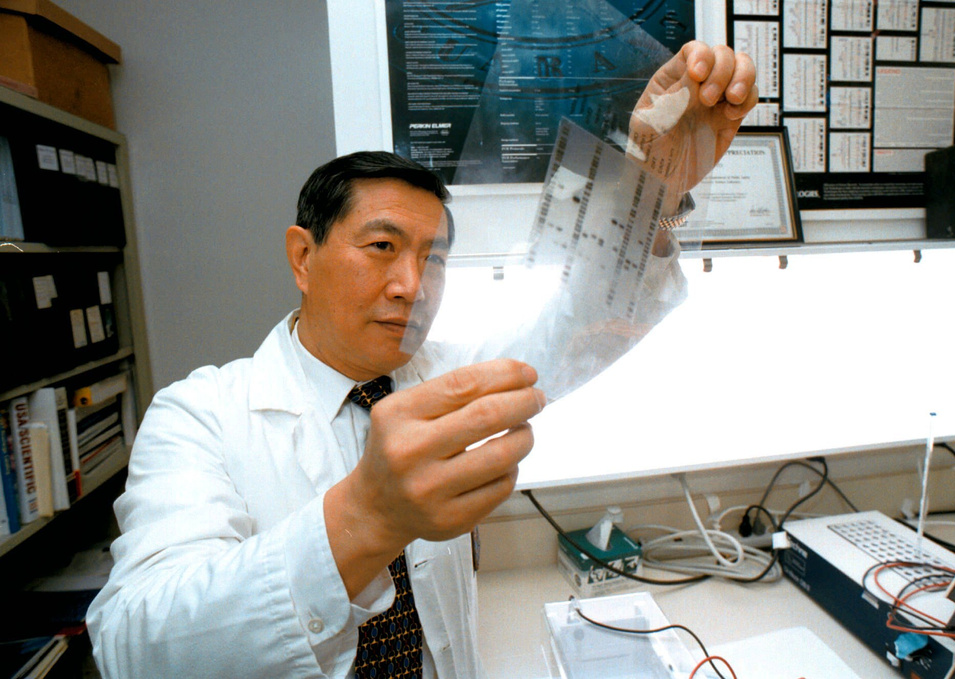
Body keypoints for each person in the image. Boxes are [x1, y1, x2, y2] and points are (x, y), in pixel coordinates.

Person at [86, 41, 757, 678]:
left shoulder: (444, 375)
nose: (412, 283)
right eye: (382, 246)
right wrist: (363, 522)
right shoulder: (199, 416)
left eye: (433, 256)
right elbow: (133, 648)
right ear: (302, 255)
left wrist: (653, 184)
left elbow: (585, 322)